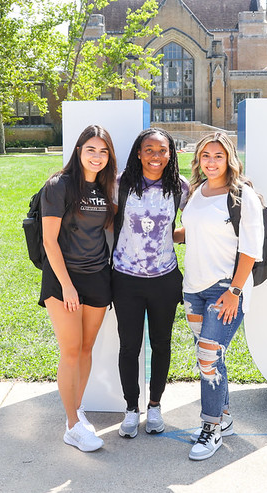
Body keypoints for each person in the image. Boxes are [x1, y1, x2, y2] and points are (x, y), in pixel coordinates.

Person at [175, 132, 265, 461]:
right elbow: (194, 229)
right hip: (193, 289)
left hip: (226, 289)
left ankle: (210, 428)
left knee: (207, 357)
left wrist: (235, 291)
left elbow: (250, 250)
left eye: (218, 156)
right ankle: (224, 416)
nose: (211, 162)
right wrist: (167, 233)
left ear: (229, 159)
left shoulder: (243, 196)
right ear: (198, 159)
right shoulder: (197, 192)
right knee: (212, 356)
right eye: (205, 156)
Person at [40, 125, 117, 452]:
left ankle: (78, 409)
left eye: (103, 151)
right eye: (91, 150)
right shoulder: (59, 186)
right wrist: (67, 287)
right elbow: (49, 241)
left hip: (98, 276)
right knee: (70, 351)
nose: (97, 157)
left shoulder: (104, 187)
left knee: (86, 349)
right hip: (63, 279)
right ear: (78, 151)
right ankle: (72, 425)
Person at [112, 128, 190, 439]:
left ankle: (155, 406)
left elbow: (198, 222)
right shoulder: (120, 184)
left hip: (164, 279)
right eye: (149, 150)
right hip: (126, 278)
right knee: (129, 346)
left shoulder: (179, 187)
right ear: (139, 152)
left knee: (161, 344)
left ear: (170, 154)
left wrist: (170, 236)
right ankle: (132, 409)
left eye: (162, 150)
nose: (155, 156)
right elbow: (106, 222)